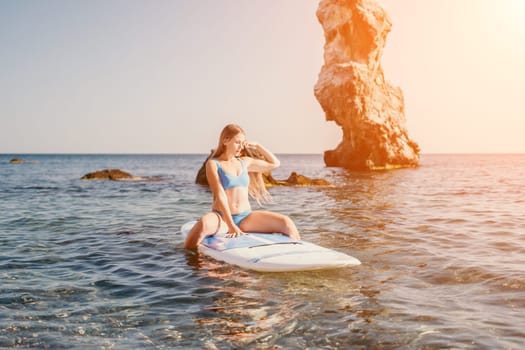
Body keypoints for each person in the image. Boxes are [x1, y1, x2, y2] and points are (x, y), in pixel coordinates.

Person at [184, 124, 301, 249]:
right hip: (222, 218)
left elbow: (275, 163)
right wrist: (230, 225)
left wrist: (257, 146)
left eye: (242, 143)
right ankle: (190, 260)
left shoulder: (245, 162)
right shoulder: (213, 164)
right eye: (237, 142)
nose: (241, 146)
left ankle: (297, 250)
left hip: (245, 217)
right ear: (225, 141)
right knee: (203, 224)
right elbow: (220, 195)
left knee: (286, 223)